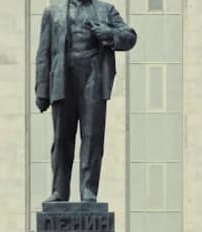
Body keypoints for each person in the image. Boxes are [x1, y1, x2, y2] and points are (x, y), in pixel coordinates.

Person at [34, 0, 137, 203]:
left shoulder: (105, 10)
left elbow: (130, 36)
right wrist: (42, 89)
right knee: (62, 138)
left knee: (92, 137)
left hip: (93, 76)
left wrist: (110, 34)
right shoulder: (52, 12)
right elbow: (43, 54)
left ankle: (89, 190)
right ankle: (59, 191)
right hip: (63, 77)